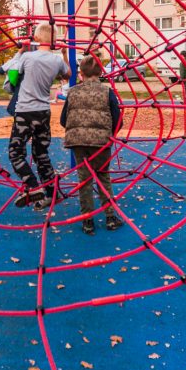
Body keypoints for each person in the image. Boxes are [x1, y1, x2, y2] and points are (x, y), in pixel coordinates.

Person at [8, 25, 70, 210]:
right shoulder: (57, 60)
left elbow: (12, 78)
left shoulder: (27, 57)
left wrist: (21, 51)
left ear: (35, 37)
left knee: (15, 153)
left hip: (25, 112)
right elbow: (68, 75)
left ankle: (33, 186)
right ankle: (53, 193)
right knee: (41, 154)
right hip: (43, 112)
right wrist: (64, 53)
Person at [61, 55, 124, 235]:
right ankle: (110, 217)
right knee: (103, 176)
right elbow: (117, 118)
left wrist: (77, 129)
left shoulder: (73, 92)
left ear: (81, 73)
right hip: (101, 142)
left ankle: (87, 220)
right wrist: (110, 133)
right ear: (100, 72)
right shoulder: (107, 92)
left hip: (78, 141)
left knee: (85, 179)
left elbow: (63, 119)